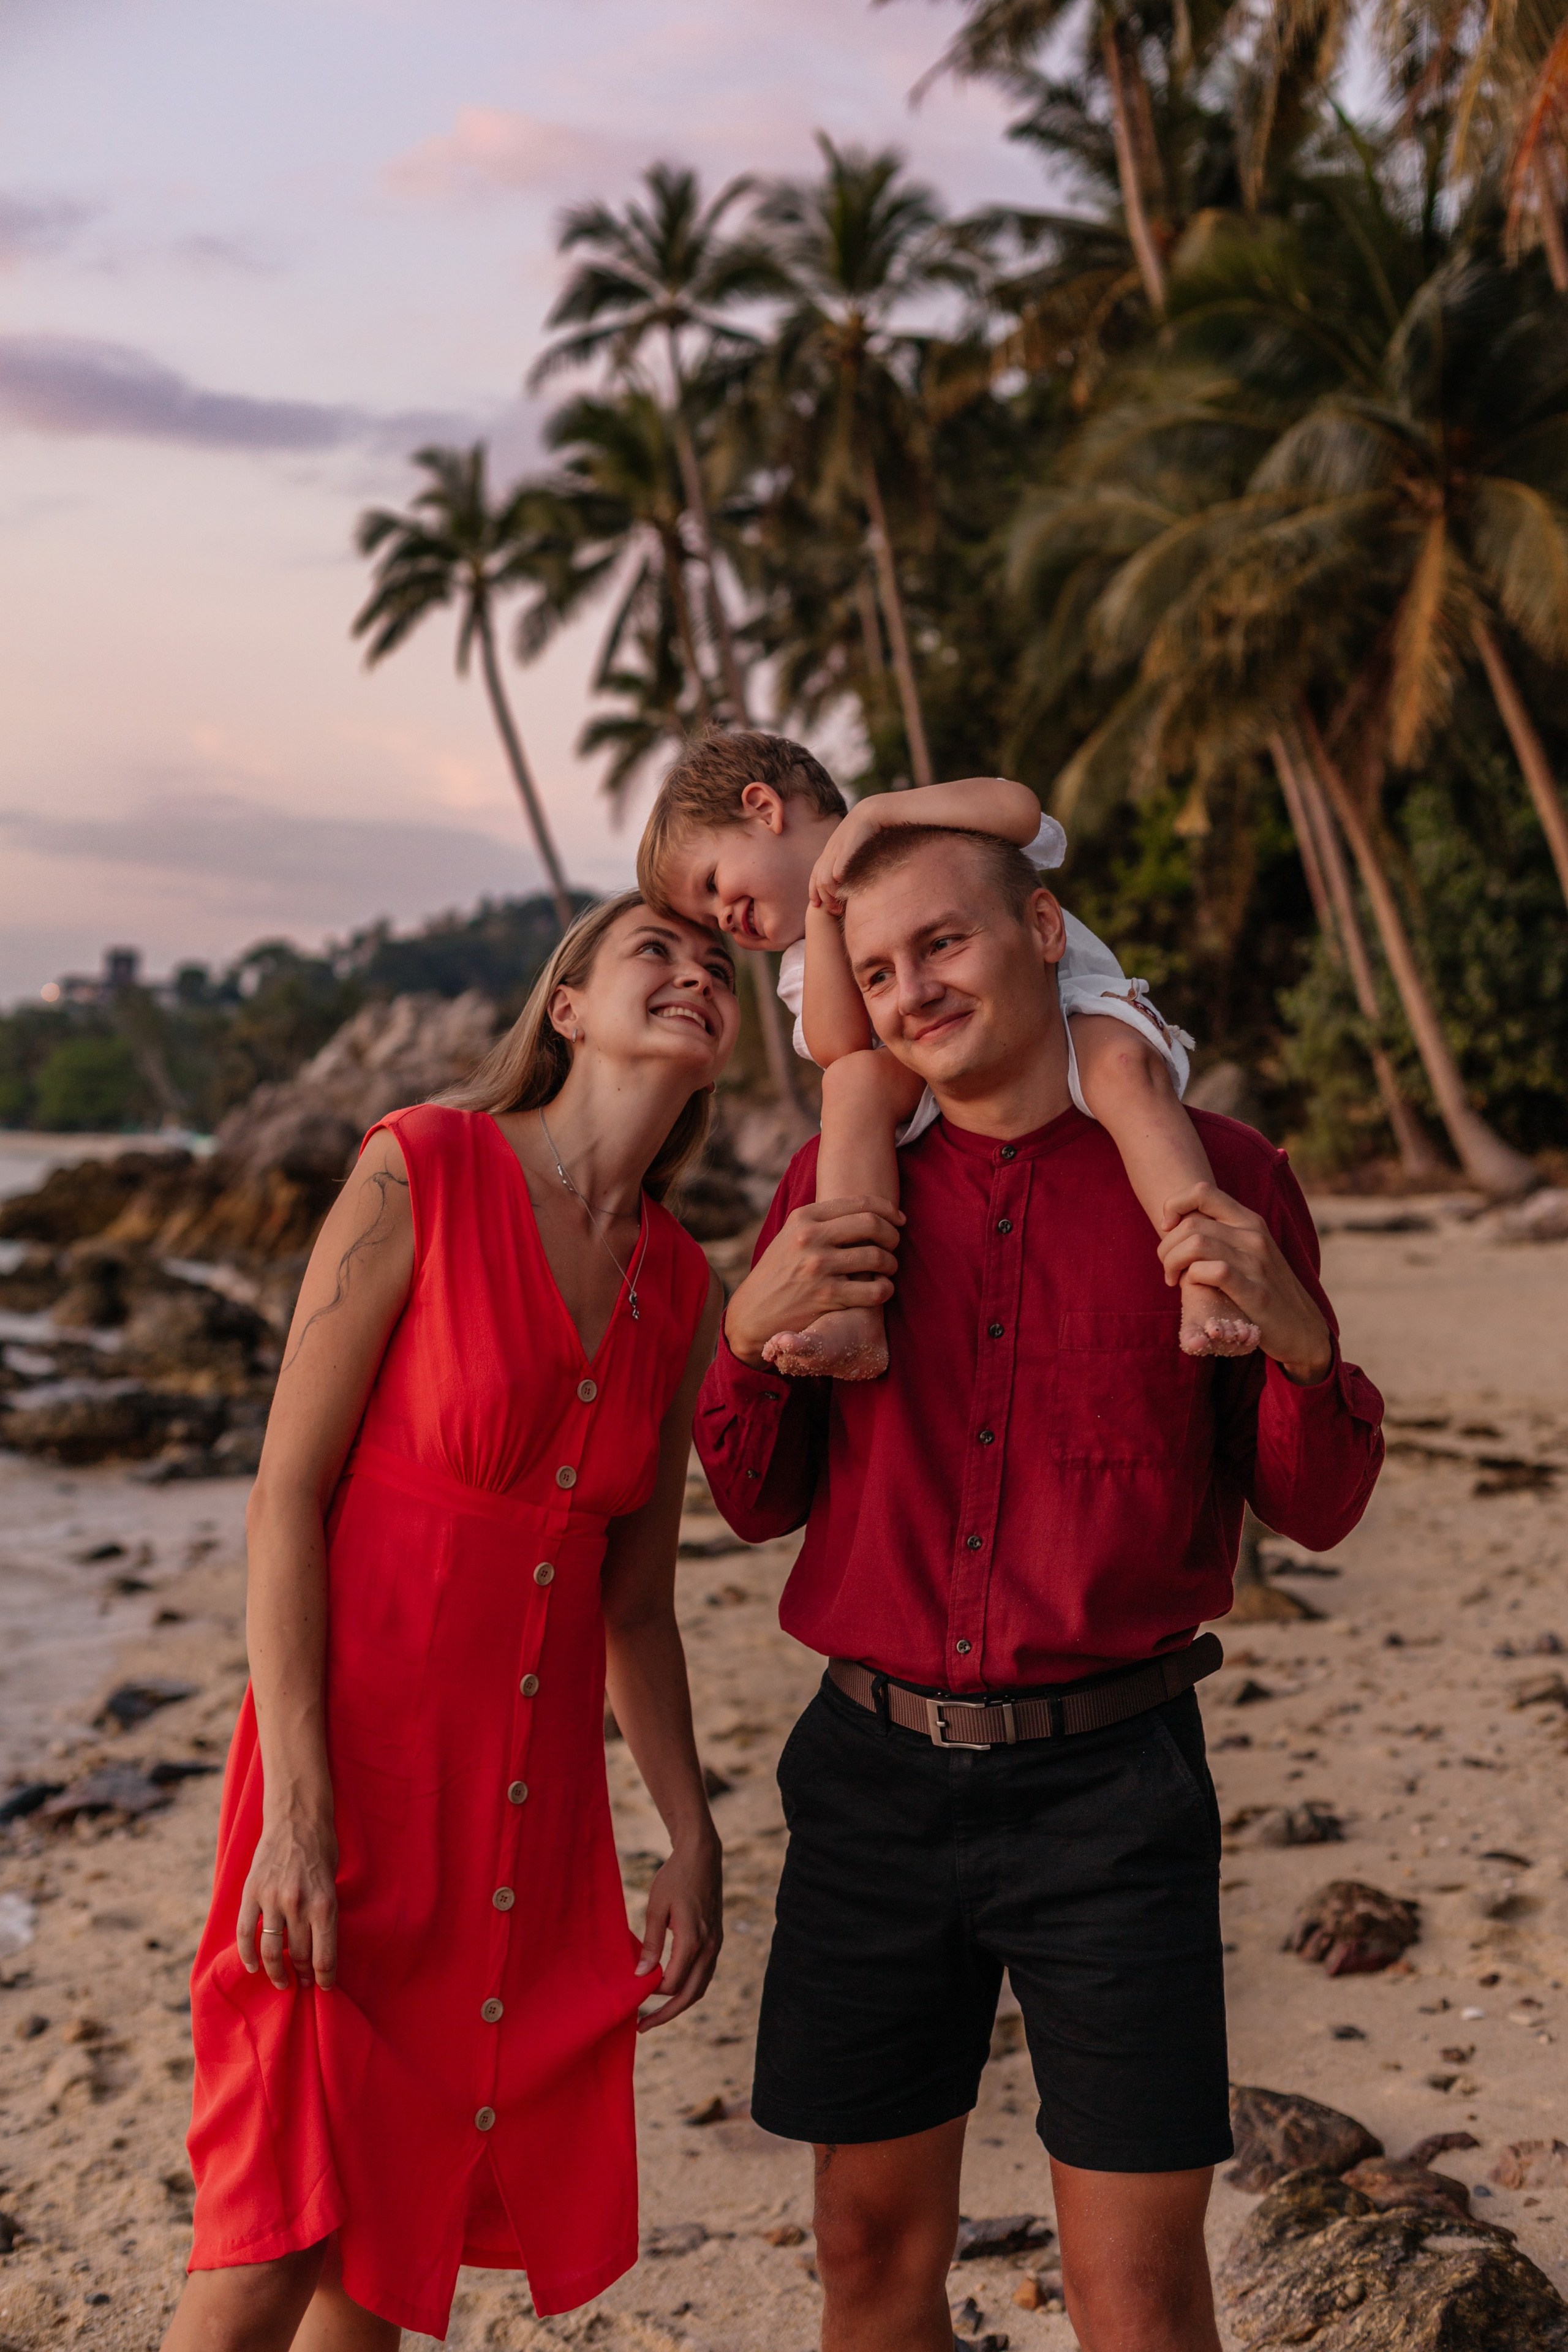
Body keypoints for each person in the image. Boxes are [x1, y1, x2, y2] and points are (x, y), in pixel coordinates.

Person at [694, 824, 1385, 2352]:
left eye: (941, 942)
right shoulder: (834, 1183)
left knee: (1136, 2297)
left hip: (1112, 1796)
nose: (912, 990)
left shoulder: (1219, 1176)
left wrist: (1297, 1340)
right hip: (868, 1787)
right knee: (865, 2258)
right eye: (877, 970)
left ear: (1042, 929)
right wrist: (742, 1339)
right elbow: (754, 1499)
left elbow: (1317, 1506)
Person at [163, 895, 739, 2352]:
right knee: (266, 2243)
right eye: (656, 953)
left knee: (384, 2255)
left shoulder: (681, 1285)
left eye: (718, 968)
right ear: (566, 1007)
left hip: (516, 1820)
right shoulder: (420, 1165)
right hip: (350, 1779)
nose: (694, 974)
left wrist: (689, 1832)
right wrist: (298, 1814)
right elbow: (285, 1498)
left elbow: (635, 1604)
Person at [641, 729, 1262, 1379]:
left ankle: (1206, 1273)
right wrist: (824, 917)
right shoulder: (805, 954)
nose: (723, 918)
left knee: (1122, 1067)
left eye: (712, 884)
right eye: (707, 918)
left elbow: (1021, 811)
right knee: (853, 1084)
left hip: (1068, 1017)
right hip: (936, 1063)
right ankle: (852, 1311)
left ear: (764, 808)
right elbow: (839, 1048)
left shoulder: (917, 833)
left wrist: (880, 811)